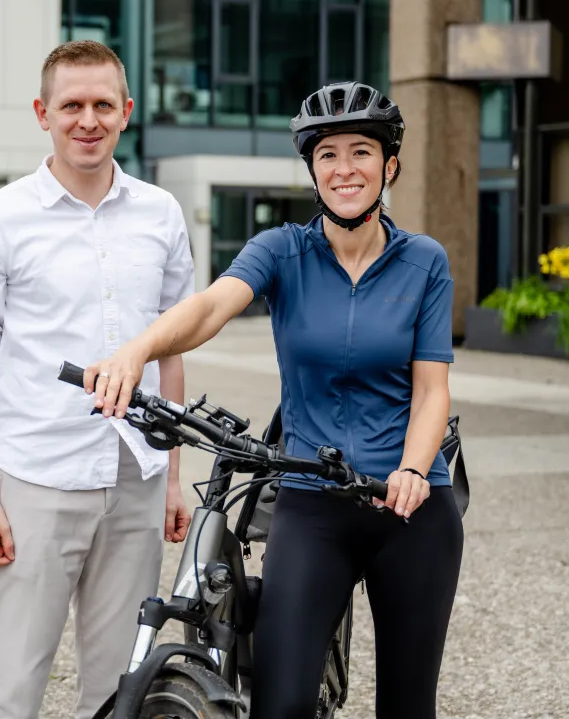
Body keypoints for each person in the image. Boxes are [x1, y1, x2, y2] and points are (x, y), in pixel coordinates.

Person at [87, 81, 463, 719]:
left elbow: (431, 390)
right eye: (328, 155)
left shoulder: (423, 262)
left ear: (390, 165)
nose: (344, 169)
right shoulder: (283, 250)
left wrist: (411, 469)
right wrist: (136, 351)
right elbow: (211, 307)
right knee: (278, 704)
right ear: (313, 171)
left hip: (410, 505)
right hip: (311, 501)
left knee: (407, 705)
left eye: (361, 152)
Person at [0, 40, 196, 719]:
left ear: (127, 111)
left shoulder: (161, 213)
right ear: (43, 113)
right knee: (12, 688)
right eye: (71, 106)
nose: (88, 120)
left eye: (103, 105)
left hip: (137, 474)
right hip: (36, 477)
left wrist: (173, 477)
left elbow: (172, 351)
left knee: (119, 691)